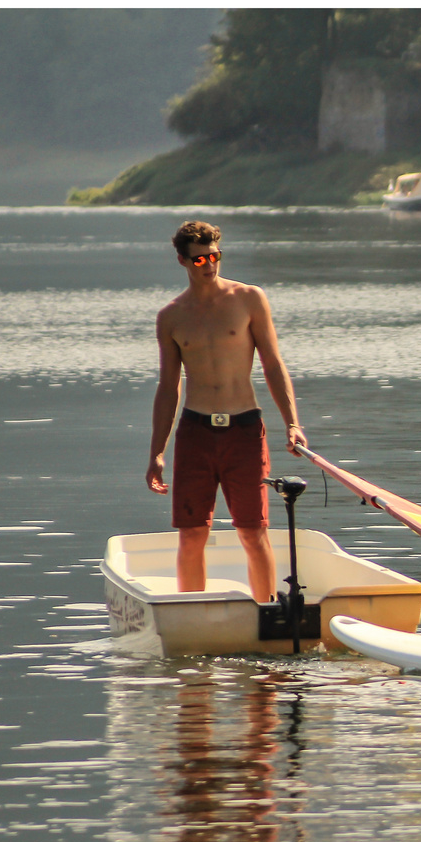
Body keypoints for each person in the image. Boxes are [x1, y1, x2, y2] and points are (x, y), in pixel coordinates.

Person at [146, 220, 308, 603]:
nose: (209, 264)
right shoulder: (171, 316)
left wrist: (293, 424)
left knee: (252, 531)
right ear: (182, 261)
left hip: (244, 430)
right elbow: (169, 387)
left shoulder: (248, 298)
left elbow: (272, 363)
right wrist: (156, 451)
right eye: (200, 258)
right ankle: (190, 613)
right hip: (195, 432)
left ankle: (267, 610)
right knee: (192, 533)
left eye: (215, 255)